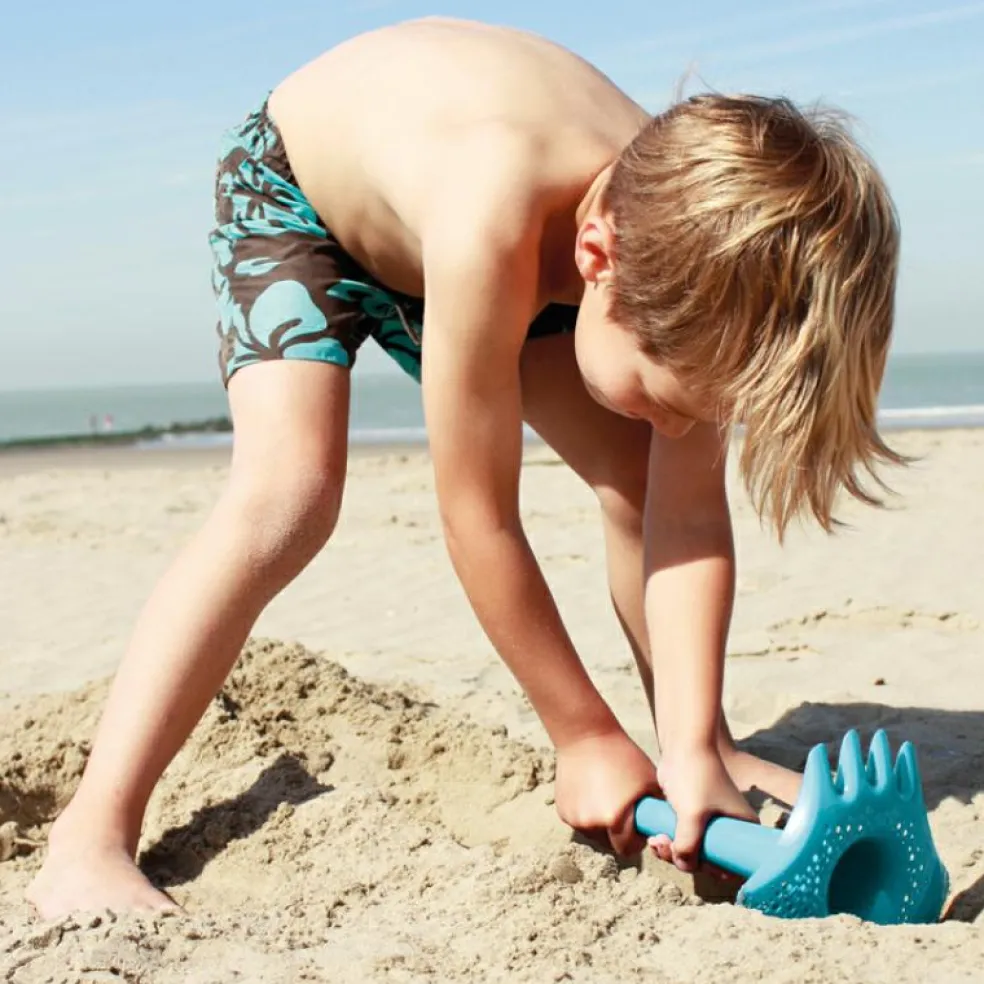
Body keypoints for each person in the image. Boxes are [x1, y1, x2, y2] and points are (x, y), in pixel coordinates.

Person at [27, 16, 902, 917]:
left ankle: (702, 747)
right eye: (673, 396)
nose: (684, 426)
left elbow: (684, 523)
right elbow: (478, 517)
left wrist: (682, 747)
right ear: (599, 263)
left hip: (510, 235)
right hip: (304, 198)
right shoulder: (500, 213)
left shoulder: (697, 253)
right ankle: (93, 829)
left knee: (645, 488)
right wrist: (583, 733)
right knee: (289, 497)